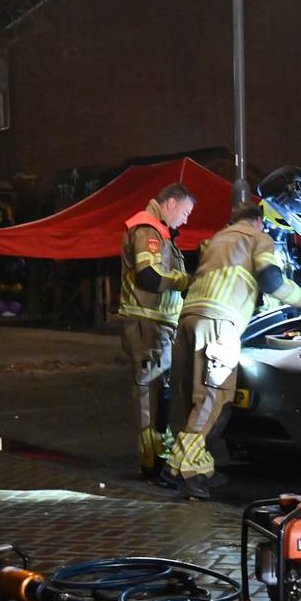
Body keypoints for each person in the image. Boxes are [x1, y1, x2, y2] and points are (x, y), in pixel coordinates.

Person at [163, 201, 301, 499]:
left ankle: (200, 466)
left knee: (196, 397)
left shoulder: (217, 239)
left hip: (189, 318)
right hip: (219, 323)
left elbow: (231, 279)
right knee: (214, 395)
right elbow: (271, 280)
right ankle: (179, 465)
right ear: (258, 221)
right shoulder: (258, 237)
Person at [120, 183, 193, 480]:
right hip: (146, 321)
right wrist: (186, 280)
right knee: (150, 390)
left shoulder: (159, 231)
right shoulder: (147, 229)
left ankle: (158, 448)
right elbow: (149, 276)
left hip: (156, 322)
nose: (186, 220)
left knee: (158, 389)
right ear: (171, 203)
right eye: (186, 212)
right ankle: (152, 456)